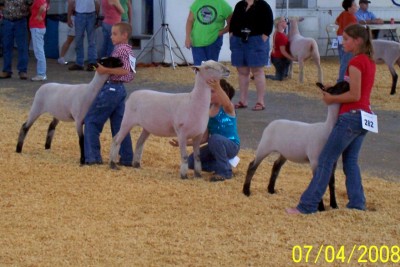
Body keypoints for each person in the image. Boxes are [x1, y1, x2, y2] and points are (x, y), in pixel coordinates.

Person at [287, 24, 376, 214]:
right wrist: (334, 87)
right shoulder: (368, 61)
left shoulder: (355, 62)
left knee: (326, 159)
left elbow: (354, 95)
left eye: (346, 39)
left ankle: (307, 206)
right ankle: (357, 203)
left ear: (357, 41)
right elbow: (354, 88)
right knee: (350, 162)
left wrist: (332, 98)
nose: (341, 42)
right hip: (365, 116)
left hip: (351, 117)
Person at [169, 79, 240, 182]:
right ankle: (223, 165)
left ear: (223, 93)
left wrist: (217, 86)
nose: (209, 95)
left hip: (232, 145)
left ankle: (225, 172)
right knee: (191, 161)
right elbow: (204, 138)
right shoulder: (208, 113)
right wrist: (183, 142)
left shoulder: (228, 108)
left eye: (212, 92)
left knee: (215, 139)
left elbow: (227, 102)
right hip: (214, 145)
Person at [84, 22, 134, 166]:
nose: (111, 36)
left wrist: (105, 70)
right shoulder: (129, 50)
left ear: (124, 35)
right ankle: (126, 157)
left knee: (91, 120)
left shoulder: (120, 50)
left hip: (111, 88)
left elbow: (126, 71)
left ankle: (93, 157)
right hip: (120, 90)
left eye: (115, 34)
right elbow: (130, 72)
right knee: (120, 125)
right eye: (112, 33)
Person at [229, 0, 273, 111]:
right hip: (239, 40)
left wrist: (264, 37)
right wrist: (231, 34)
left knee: (257, 71)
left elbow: (269, 23)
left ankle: (260, 101)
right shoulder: (240, 5)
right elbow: (233, 21)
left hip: (256, 40)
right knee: (242, 72)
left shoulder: (263, 5)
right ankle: (243, 100)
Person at [185, 0, 232, 66]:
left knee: (211, 68)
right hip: (196, 41)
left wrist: (219, 33)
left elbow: (232, 24)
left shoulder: (223, 5)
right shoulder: (198, 2)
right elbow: (190, 20)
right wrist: (188, 37)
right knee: (199, 68)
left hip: (214, 42)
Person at [0, 0, 30, 80]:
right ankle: (6, 70)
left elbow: (31, 4)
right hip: (7, 20)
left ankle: (22, 71)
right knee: (6, 46)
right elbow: (1, 4)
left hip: (21, 21)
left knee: (22, 47)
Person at [68, 0, 99, 72]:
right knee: (88, 40)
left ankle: (84, 63)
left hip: (84, 14)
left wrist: (69, 17)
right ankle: (87, 63)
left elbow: (71, 3)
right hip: (84, 14)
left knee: (86, 40)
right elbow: (97, 3)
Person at [266, 16, 294, 81]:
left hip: (278, 58)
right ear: (279, 23)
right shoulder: (281, 35)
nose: (286, 21)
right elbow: (283, 51)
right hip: (278, 59)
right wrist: (293, 58)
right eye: (284, 20)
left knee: (284, 75)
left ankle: (282, 73)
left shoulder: (279, 33)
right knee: (279, 78)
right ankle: (264, 76)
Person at [335, 0, 358, 83]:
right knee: (346, 62)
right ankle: (340, 81)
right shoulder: (352, 17)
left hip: (340, 38)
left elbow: (336, 22)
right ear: (349, 8)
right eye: (355, 5)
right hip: (347, 40)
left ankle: (344, 80)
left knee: (343, 61)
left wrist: (343, 25)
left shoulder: (343, 13)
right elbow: (355, 31)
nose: (356, 6)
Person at [29, 0, 49, 81]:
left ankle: (41, 74)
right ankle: (41, 73)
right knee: (39, 51)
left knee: (39, 51)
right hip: (38, 27)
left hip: (37, 27)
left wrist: (39, 15)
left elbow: (43, 8)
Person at [58, 0, 75, 65]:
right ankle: (61, 57)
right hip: (73, 18)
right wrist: (69, 18)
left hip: (75, 17)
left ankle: (62, 57)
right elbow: (70, 6)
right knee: (69, 39)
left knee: (70, 39)